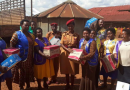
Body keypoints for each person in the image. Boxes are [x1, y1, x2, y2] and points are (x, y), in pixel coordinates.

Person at [10, 19, 37, 90]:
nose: (27, 27)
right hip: (21, 58)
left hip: (29, 58)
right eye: (25, 25)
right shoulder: (17, 34)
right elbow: (12, 44)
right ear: (21, 25)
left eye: (28, 25)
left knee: (28, 72)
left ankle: (28, 86)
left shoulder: (30, 35)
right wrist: (15, 55)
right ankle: (21, 86)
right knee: (21, 72)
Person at [60, 19, 80, 90]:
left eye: (71, 26)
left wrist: (78, 52)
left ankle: (72, 84)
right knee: (66, 69)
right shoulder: (64, 34)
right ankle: (67, 84)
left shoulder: (77, 35)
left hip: (73, 52)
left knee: (73, 69)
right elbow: (61, 44)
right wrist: (67, 49)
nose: (70, 28)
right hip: (65, 53)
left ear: (74, 26)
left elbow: (78, 45)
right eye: (69, 26)